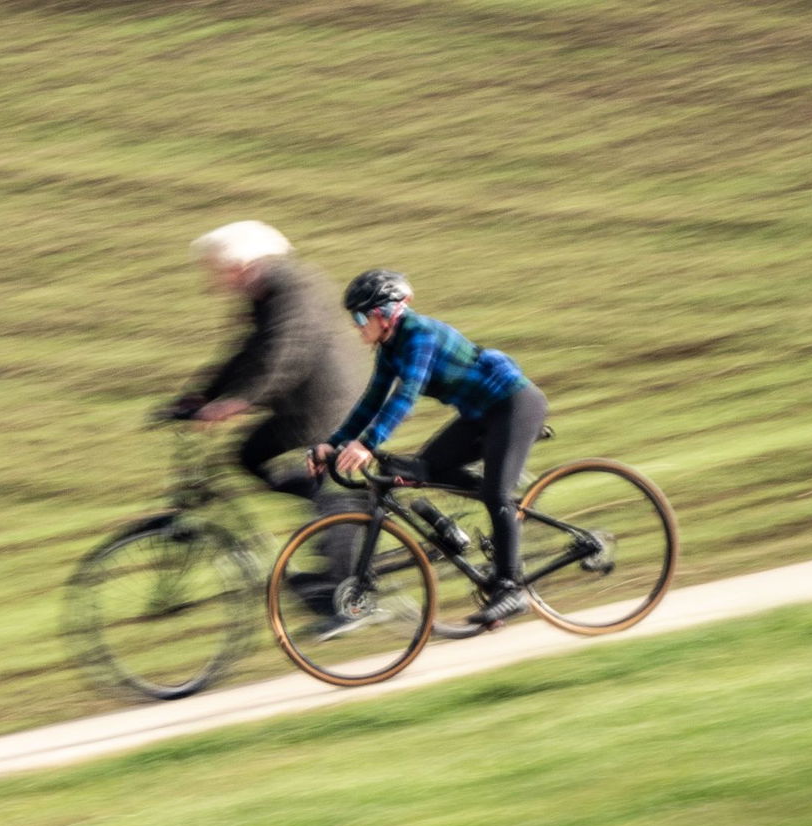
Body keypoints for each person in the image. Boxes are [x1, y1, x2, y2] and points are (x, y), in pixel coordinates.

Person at [309, 269, 548, 626]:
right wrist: (332, 444)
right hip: (480, 414)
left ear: (383, 313)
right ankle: (458, 531)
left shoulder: (419, 335)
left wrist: (369, 445)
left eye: (360, 317)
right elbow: (370, 402)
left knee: (496, 494)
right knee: (422, 468)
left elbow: (406, 395)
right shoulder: (389, 349)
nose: (356, 326)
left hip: (514, 405)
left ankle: (511, 589)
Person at [168, 221, 365, 598]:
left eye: (216, 269)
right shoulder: (262, 292)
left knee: (328, 484)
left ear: (239, 263)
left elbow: (285, 350)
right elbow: (246, 352)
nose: (214, 280)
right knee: (249, 455)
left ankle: (342, 595)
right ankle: (335, 508)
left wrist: (240, 400)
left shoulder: (290, 285)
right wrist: (198, 397)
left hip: (329, 401)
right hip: (301, 401)